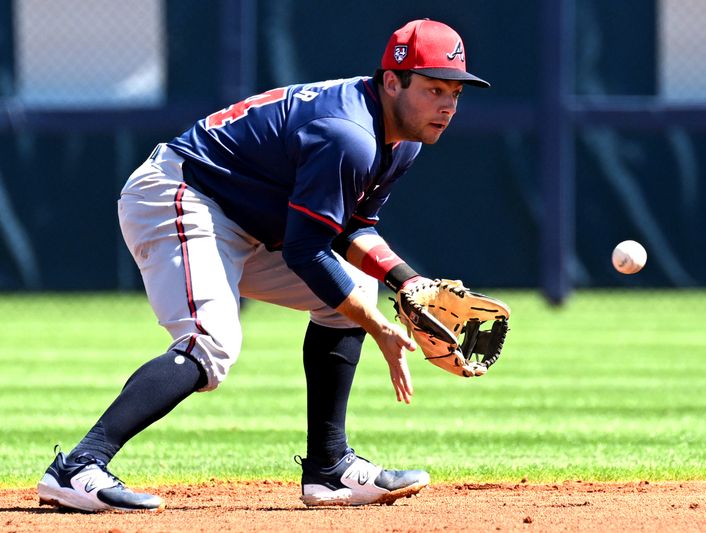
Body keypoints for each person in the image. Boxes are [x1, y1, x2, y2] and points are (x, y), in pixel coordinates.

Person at [37, 18, 490, 512]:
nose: (447, 105)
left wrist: (406, 281)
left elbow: (349, 225)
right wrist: (379, 324)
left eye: (455, 92)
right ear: (390, 82)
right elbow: (306, 251)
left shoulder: (402, 140)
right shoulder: (348, 134)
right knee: (211, 343)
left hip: (245, 219)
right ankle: (78, 465)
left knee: (352, 288)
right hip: (181, 196)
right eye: (432, 88)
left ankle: (330, 469)